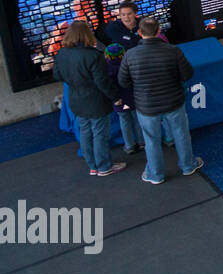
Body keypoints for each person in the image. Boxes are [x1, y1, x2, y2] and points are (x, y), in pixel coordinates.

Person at [117, 17, 203, 185]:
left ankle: (155, 175)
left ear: (139, 33)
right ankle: (188, 165)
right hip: (174, 101)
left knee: (151, 140)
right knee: (181, 134)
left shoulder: (130, 55)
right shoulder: (173, 51)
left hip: (146, 106)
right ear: (159, 31)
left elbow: (123, 81)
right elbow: (187, 74)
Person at [52, 21, 126, 177]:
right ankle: (105, 167)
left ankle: (93, 166)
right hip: (96, 102)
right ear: (87, 34)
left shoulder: (61, 53)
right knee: (100, 135)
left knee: (85, 132)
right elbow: (103, 82)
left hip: (76, 101)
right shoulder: (94, 56)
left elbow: (57, 76)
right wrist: (115, 98)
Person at [104, 43, 144, 155]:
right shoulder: (129, 63)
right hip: (133, 98)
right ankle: (142, 142)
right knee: (137, 120)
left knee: (124, 121)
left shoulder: (106, 69)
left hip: (119, 100)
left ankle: (129, 145)